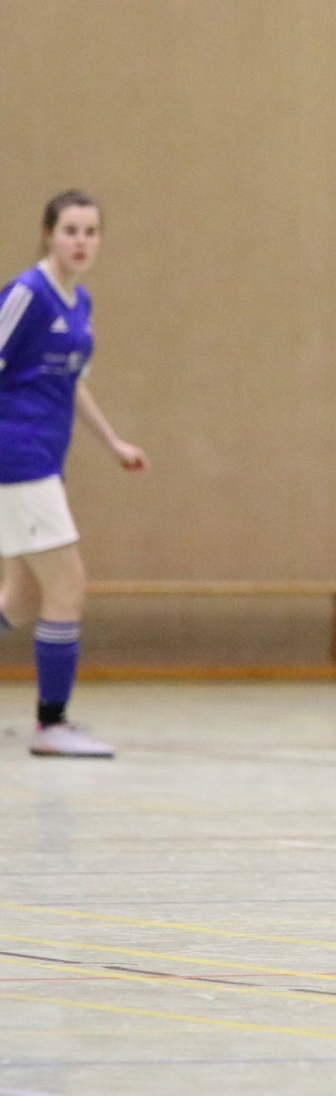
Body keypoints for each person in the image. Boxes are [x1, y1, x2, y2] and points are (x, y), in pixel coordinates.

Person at [0, 191, 148, 758]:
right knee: (67, 585)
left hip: (44, 460)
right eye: (70, 230)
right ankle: (51, 725)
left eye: (90, 231)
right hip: (18, 458)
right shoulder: (27, 294)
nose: (81, 241)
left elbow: (72, 382)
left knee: (18, 600)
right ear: (48, 235)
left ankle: (52, 722)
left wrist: (113, 442)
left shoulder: (79, 302)